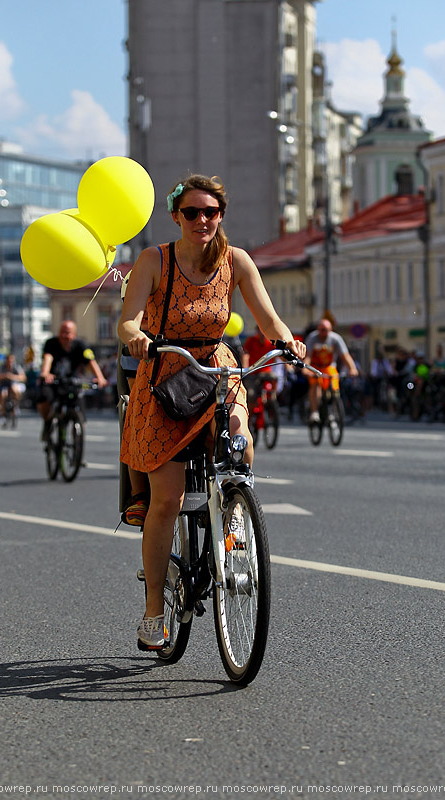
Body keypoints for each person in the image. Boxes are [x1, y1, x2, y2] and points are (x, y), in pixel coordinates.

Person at [118, 173, 305, 649]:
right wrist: (136, 337)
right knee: (168, 500)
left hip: (215, 367)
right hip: (164, 373)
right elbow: (127, 320)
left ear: (221, 215)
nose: (202, 220)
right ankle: (154, 611)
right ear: (176, 216)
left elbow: (267, 317)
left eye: (211, 212)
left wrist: (286, 341)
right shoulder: (153, 260)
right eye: (191, 212)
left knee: (241, 443)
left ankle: (235, 515)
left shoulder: (235, 261)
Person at [36, 320, 108, 439]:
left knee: (79, 400)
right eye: (62, 332)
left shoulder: (81, 345)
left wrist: (100, 378)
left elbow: (91, 361)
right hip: (54, 380)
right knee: (44, 396)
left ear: (74, 335)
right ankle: (47, 422)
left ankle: (78, 445)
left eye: (67, 333)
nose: (64, 336)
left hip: (72, 380)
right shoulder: (51, 343)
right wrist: (45, 373)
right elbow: (47, 358)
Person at [304, 318, 358, 423]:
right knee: (315, 385)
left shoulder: (336, 339)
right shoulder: (312, 338)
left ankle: (332, 410)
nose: (324, 333)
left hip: (329, 367)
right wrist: (306, 369)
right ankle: (314, 412)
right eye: (321, 330)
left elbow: (345, 356)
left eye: (326, 330)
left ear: (331, 329)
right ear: (318, 329)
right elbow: (308, 356)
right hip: (315, 367)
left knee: (334, 386)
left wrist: (352, 369)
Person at [0, 353, 26, 424]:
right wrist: (4, 376)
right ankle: (2, 413)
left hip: (13, 383)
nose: (10, 361)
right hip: (3, 384)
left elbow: (23, 377)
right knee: (2, 395)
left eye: (12, 359)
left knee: (15, 389)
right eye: (9, 359)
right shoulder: (2, 367)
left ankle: (16, 404)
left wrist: (12, 376)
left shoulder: (16, 367)